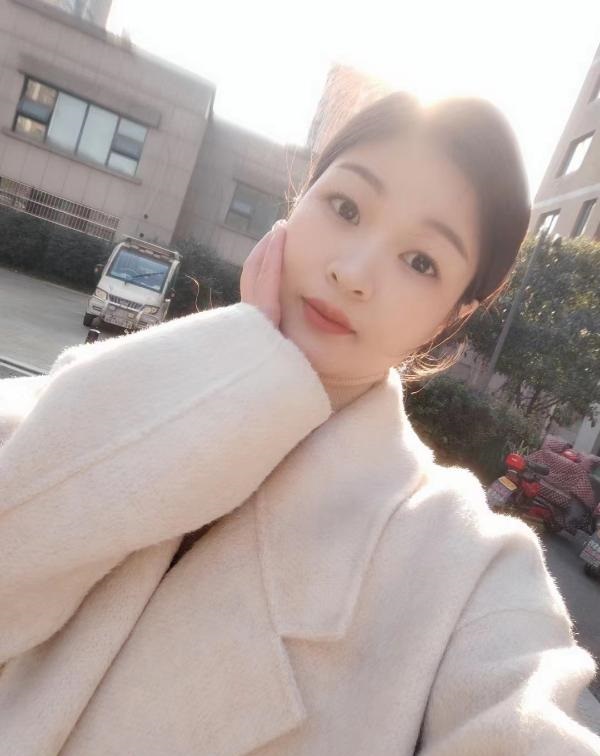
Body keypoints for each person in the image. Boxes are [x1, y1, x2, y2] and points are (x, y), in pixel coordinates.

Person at [0, 92, 599, 755]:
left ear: (453, 315)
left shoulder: (468, 567)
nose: (353, 272)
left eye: (421, 261)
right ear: (299, 200)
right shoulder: (98, 391)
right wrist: (242, 362)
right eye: (345, 208)